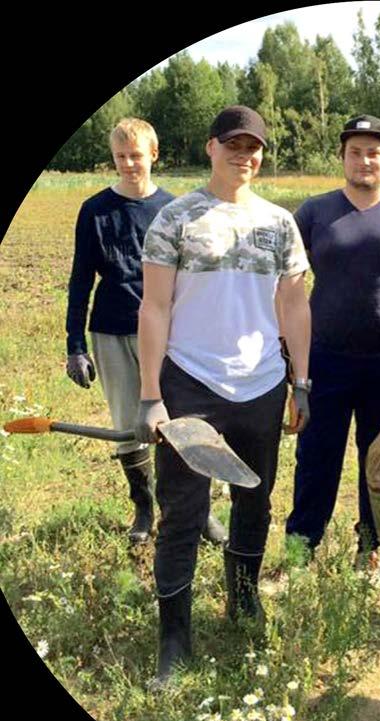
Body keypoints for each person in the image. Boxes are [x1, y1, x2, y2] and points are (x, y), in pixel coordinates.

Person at [136, 105, 311, 682]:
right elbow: (155, 307)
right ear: (211, 147)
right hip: (191, 384)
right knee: (183, 513)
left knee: (254, 502)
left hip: (261, 386)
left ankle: (242, 597)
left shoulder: (280, 224)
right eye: (233, 144)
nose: (245, 155)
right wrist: (150, 395)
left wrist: (299, 382)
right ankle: (174, 640)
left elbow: (292, 306)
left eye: (254, 146)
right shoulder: (175, 219)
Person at [64, 117, 226, 547]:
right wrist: (75, 346)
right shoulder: (95, 211)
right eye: (120, 157)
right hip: (113, 332)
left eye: (136, 156)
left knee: (186, 423)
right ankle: (143, 506)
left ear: (153, 154)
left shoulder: (174, 210)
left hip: (173, 333)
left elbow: (196, 280)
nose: (129, 164)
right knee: (130, 425)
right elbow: (81, 281)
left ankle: (201, 513)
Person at [284, 115, 380, 573]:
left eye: (373, 152)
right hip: (324, 358)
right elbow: (287, 284)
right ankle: (299, 553)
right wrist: (291, 359)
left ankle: (368, 549)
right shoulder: (314, 212)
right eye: (355, 151)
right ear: (343, 157)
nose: (364, 160)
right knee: (315, 458)